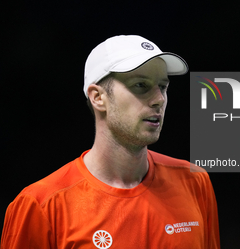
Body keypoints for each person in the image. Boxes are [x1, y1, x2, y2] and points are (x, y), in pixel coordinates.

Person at [1, 35, 220, 248]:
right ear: (98, 97)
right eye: (141, 85)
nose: (159, 100)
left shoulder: (195, 182)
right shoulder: (40, 205)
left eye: (162, 87)